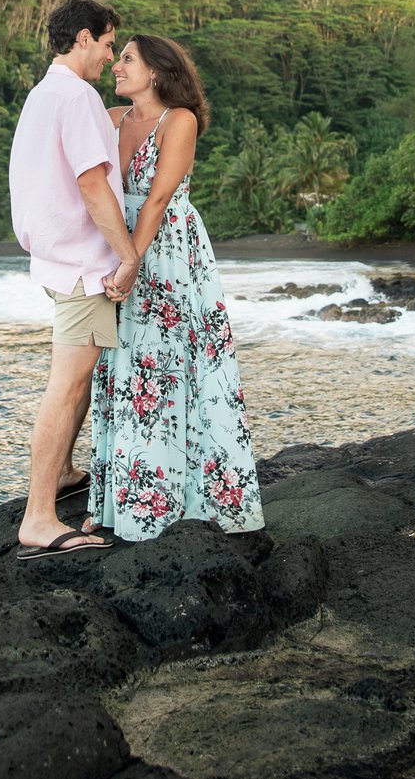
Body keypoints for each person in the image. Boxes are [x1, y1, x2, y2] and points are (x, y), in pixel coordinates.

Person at [87, 34, 264, 541]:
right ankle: (119, 503)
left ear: (156, 71)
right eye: (117, 57)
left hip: (166, 255)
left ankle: (179, 503)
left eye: (127, 59)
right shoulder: (109, 118)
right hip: (117, 249)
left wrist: (131, 263)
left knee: (168, 367)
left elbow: (159, 199)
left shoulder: (179, 121)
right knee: (122, 368)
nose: (116, 66)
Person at [7, 0, 139, 560]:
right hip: (83, 266)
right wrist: (128, 255)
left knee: (78, 379)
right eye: (108, 44)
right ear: (83, 37)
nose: (110, 57)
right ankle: (38, 516)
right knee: (67, 384)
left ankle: (61, 471)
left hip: (53, 260)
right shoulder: (79, 97)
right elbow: (92, 184)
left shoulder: (42, 95)